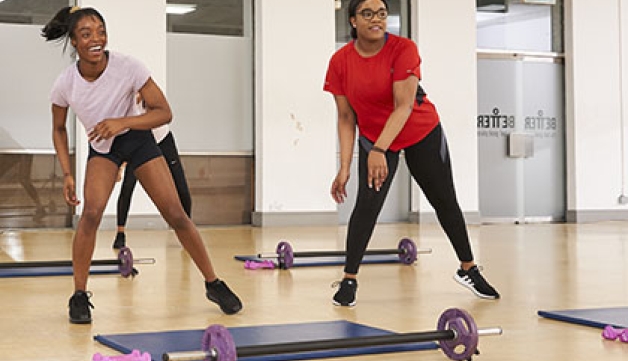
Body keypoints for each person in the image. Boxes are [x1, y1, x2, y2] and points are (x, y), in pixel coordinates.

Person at [42, 6, 242, 324]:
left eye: (101, 31)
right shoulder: (66, 84)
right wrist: (67, 173)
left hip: (137, 140)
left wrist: (122, 122)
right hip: (103, 149)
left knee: (176, 214)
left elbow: (164, 112)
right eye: (86, 33)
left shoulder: (128, 67)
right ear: (74, 42)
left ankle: (213, 284)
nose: (96, 39)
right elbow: (57, 128)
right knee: (90, 213)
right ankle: (79, 295)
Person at [324, 0, 500, 307]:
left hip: (420, 131)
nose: (376, 19)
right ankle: (349, 279)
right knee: (367, 206)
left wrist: (379, 149)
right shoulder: (340, 62)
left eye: (381, 13)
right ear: (352, 20)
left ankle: (468, 268)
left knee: (444, 200)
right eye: (367, 13)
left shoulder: (403, 49)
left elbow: (403, 104)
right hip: (374, 137)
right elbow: (345, 117)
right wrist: (344, 166)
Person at [113, 98, 192, 249]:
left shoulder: (150, 97)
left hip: (163, 140)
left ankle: (187, 232)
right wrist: (120, 166)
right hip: (140, 145)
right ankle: (120, 233)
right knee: (127, 187)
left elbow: (160, 116)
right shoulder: (125, 103)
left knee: (181, 188)